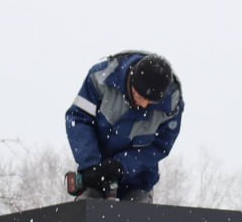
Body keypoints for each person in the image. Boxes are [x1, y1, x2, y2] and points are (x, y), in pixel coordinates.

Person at [65, 51, 184, 202]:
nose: (143, 104)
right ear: (131, 81)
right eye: (140, 97)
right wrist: (91, 164)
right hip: (95, 174)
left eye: (150, 102)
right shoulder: (101, 79)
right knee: (87, 209)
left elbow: (159, 148)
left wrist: (124, 165)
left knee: (138, 219)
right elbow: (79, 119)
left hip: (138, 180)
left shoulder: (172, 107)